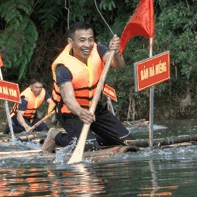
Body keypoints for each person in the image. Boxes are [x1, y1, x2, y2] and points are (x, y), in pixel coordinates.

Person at [42, 22, 133, 154]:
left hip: (94, 108)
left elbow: (118, 64)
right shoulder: (63, 66)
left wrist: (116, 52)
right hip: (71, 113)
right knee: (89, 148)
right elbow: (68, 99)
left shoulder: (98, 49)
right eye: (82, 40)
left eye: (90, 39)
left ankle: (90, 140)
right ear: (71, 42)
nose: (87, 45)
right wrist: (80, 112)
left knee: (127, 141)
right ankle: (56, 136)